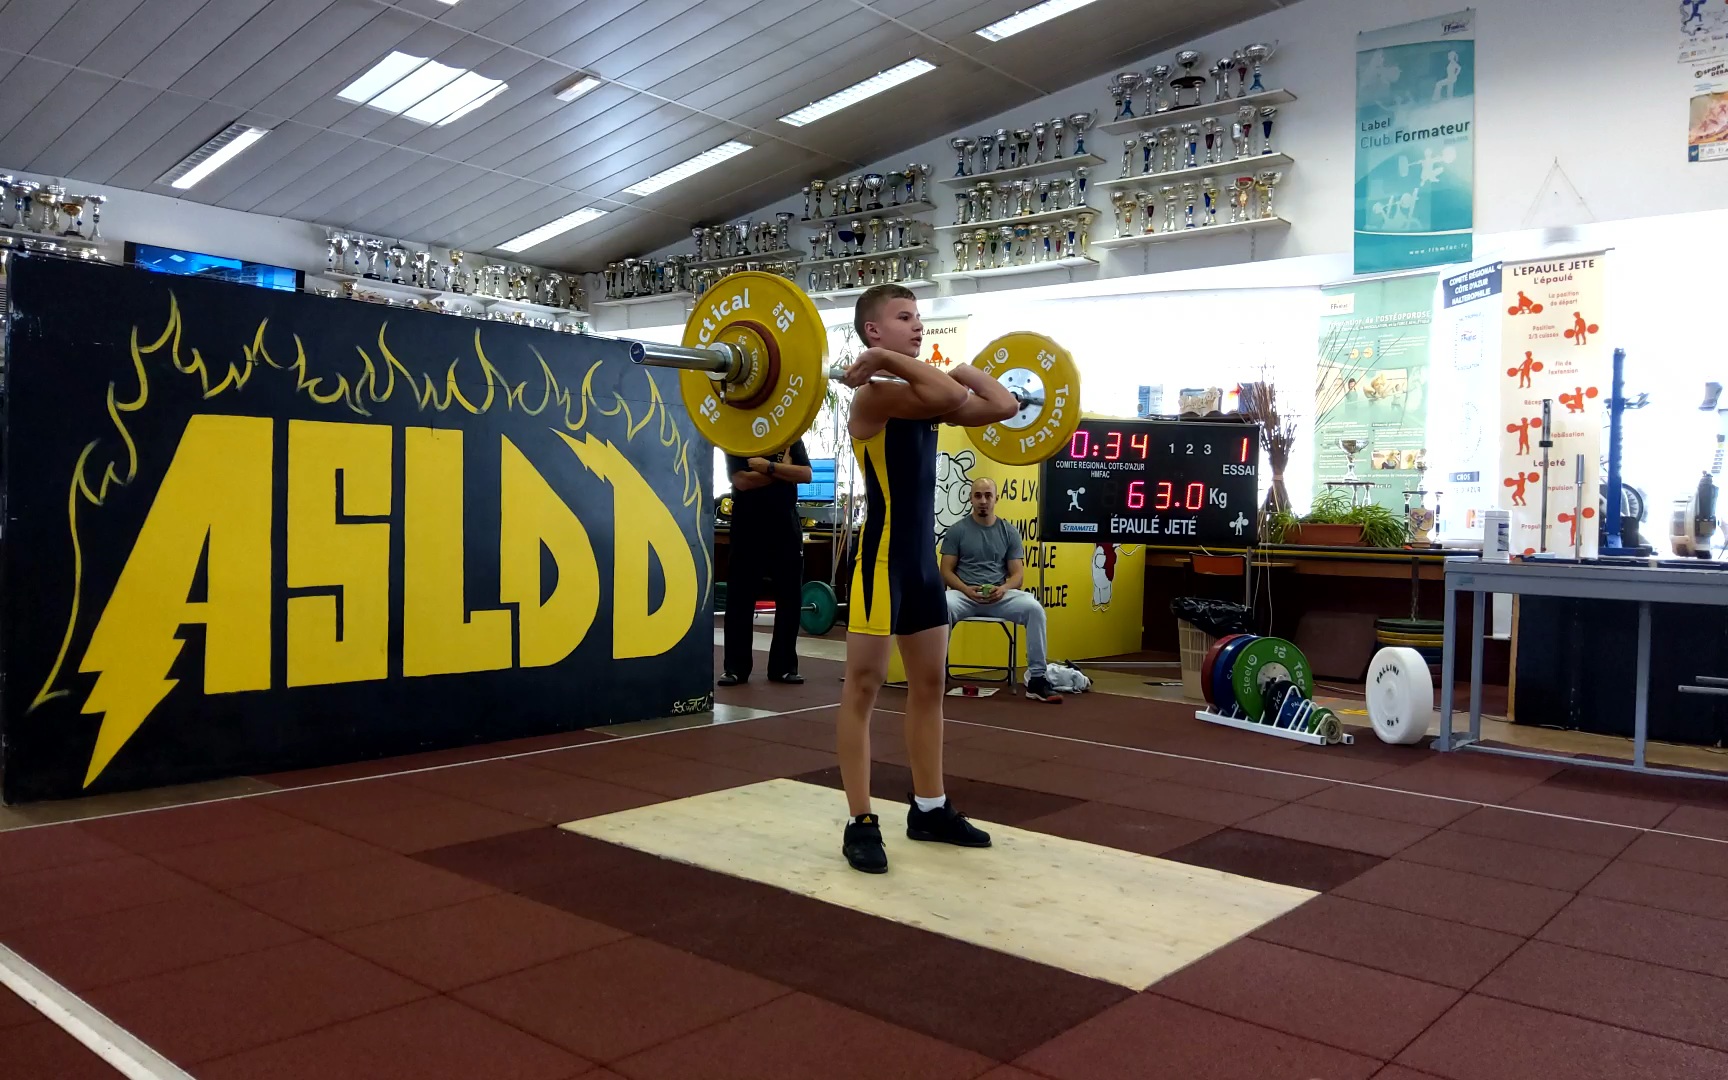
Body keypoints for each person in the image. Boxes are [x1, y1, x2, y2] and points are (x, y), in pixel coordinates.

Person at [836, 284, 1017, 874]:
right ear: (873, 331)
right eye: (904, 317)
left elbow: (1002, 404)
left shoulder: (920, 393)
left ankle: (930, 808)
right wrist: (889, 364)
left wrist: (961, 367)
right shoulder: (874, 397)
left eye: (919, 317)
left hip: (919, 565)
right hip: (880, 565)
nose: (918, 326)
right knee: (864, 688)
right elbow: (946, 394)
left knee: (930, 685)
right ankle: (861, 821)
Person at [939, 477, 1062, 703]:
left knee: (1034, 609)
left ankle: (1037, 679)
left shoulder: (1009, 531)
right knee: (941, 605)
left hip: (999, 596)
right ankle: (934, 674)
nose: (983, 501)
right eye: (978, 496)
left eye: (988, 495)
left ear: (996, 498)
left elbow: (1018, 576)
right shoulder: (957, 531)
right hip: (964, 596)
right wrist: (965, 589)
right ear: (970, 499)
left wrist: (1002, 589)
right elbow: (945, 571)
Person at [719, 438, 812, 686]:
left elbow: (805, 474)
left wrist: (767, 467)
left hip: (785, 524)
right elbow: (742, 481)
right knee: (739, 598)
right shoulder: (737, 438)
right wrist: (783, 470)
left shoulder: (789, 436)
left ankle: (783, 667)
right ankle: (735, 669)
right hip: (748, 524)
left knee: (790, 597)